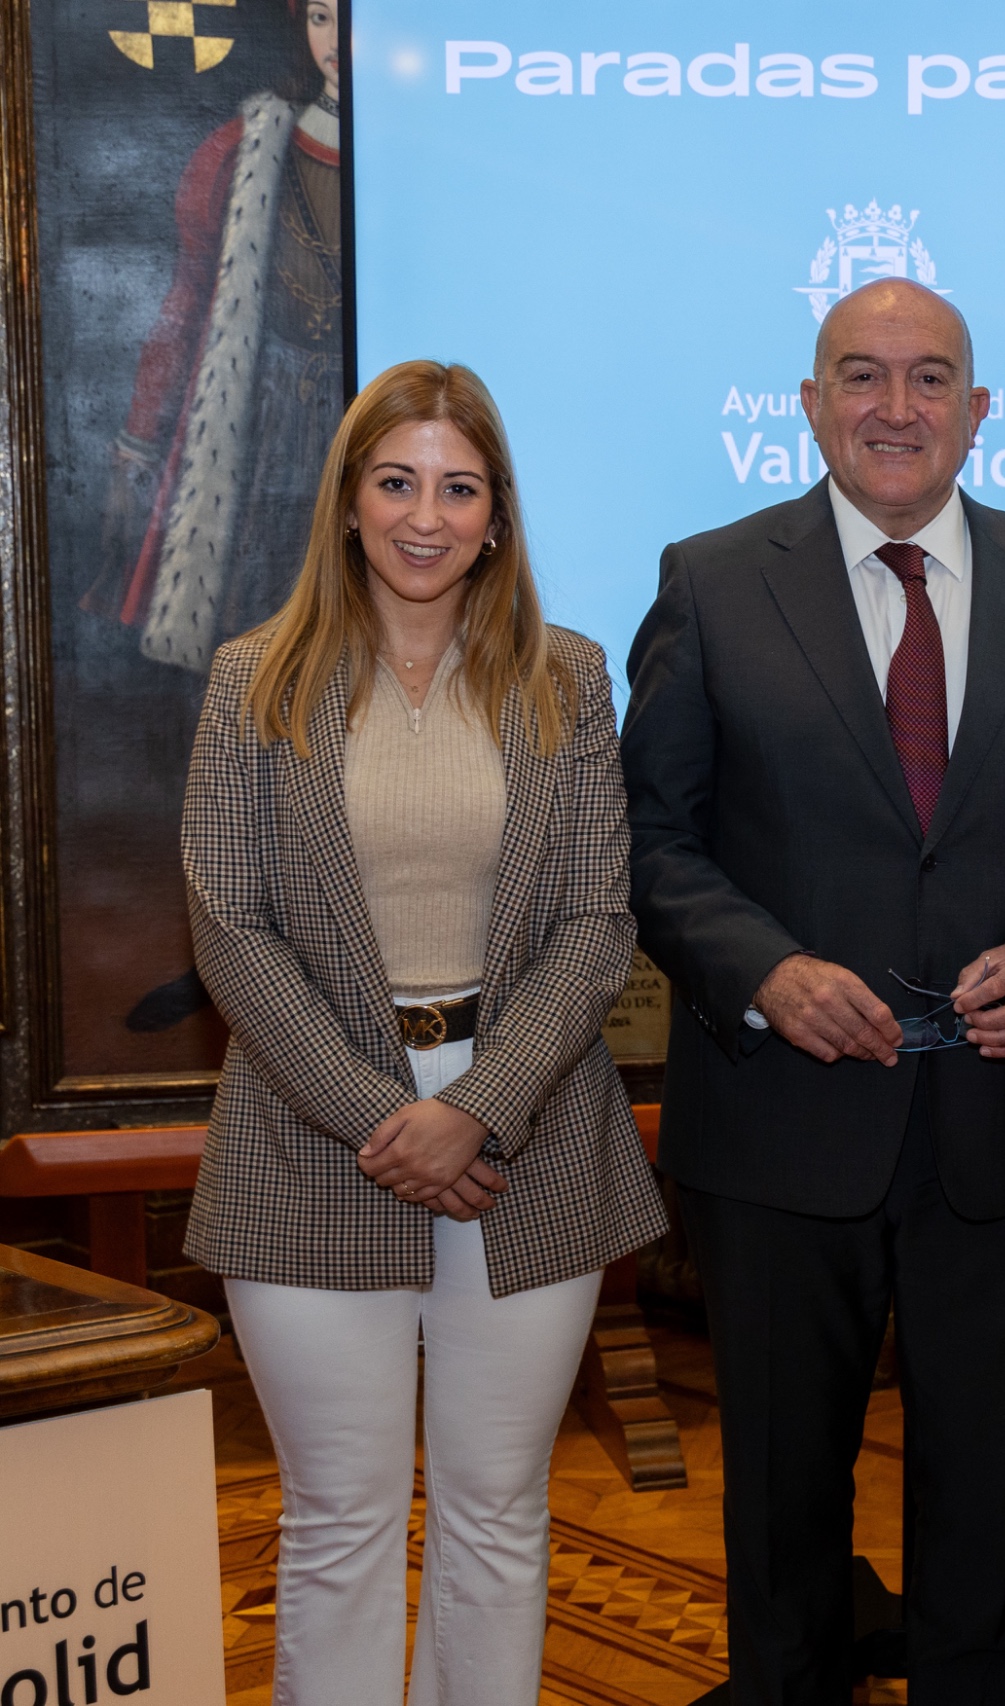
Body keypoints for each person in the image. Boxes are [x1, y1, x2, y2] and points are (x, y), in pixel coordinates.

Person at [621, 278, 1005, 1704]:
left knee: (988, 1505)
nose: (895, 405)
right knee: (780, 1510)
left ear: (978, 411)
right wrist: (765, 970)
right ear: (810, 405)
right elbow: (649, 835)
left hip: (1000, 1127)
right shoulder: (710, 579)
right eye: (861, 375)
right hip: (779, 1124)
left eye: (929, 376)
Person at [181, 359, 665, 1704]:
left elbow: (596, 922)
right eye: (397, 481)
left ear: (497, 515)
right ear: (349, 499)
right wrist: (387, 1117)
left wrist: (477, 1105)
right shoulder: (252, 681)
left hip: (526, 1128)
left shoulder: (567, 679)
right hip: (309, 1126)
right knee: (337, 1521)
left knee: (499, 1512)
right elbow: (229, 927)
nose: (425, 516)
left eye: (459, 488)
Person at [95, 0, 347, 672]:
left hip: (364, 423)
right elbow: (184, 303)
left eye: (352, 18)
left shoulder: (422, 151)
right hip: (264, 421)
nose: (336, 38)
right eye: (321, 17)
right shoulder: (246, 147)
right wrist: (137, 441)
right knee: (255, 627)